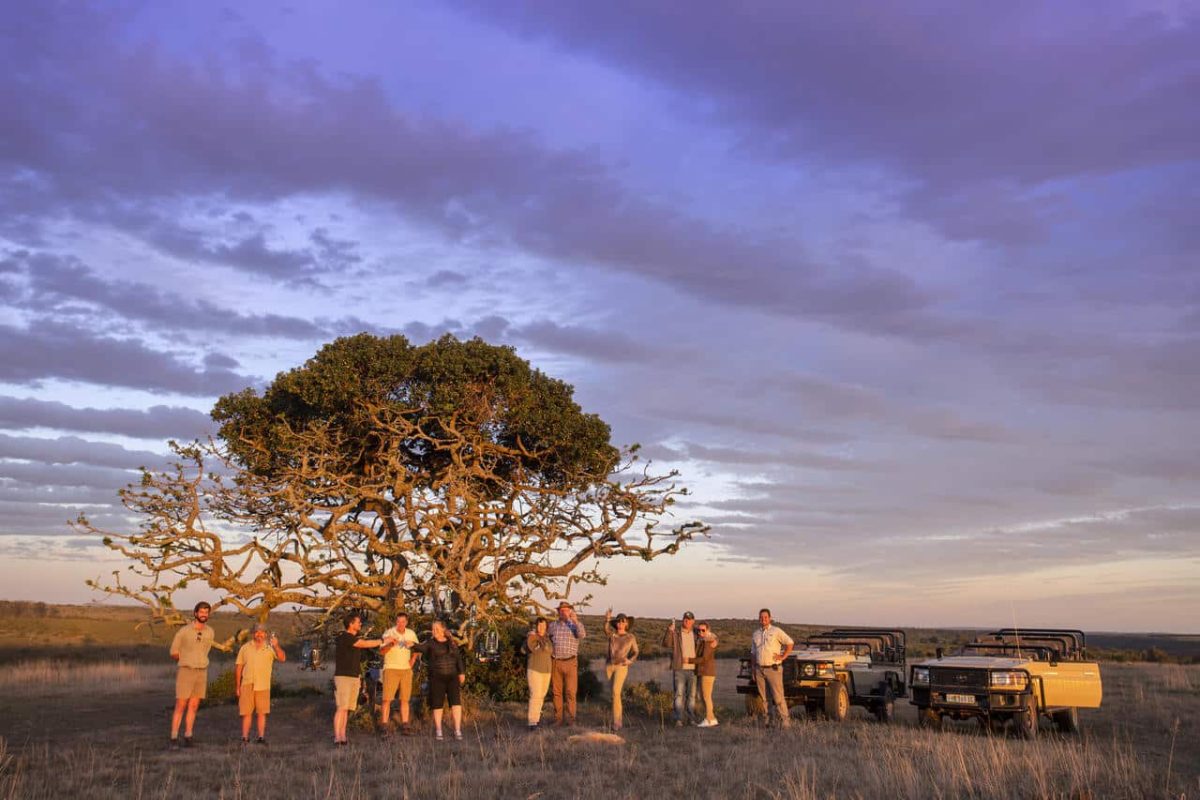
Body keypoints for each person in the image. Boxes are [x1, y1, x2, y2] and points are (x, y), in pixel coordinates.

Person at [169, 601, 222, 749]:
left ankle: (188, 735)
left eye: (206, 612)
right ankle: (174, 737)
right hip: (186, 670)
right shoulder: (184, 631)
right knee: (181, 705)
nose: (204, 615)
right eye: (201, 612)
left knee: (193, 705)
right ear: (195, 613)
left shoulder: (210, 631)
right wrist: (186, 660)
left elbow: (206, 650)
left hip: (201, 671)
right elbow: (174, 652)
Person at [332, 612, 383, 746]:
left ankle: (343, 736)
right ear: (351, 624)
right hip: (343, 677)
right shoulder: (345, 637)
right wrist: (382, 641)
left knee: (347, 708)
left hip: (354, 677)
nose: (360, 624)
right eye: (358, 622)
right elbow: (364, 644)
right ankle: (337, 737)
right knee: (341, 707)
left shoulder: (353, 638)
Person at [411, 620, 467, 740]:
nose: (434, 631)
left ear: (443, 630)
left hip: (453, 677)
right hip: (436, 678)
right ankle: (439, 731)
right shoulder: (430, 643)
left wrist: (461, 672)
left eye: (436, 629)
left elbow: (458, 658)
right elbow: (420, 647)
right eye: (433, 629)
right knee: (437, 704)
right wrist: (411, 644)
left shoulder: (451, 642)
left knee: (456, 704)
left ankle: (457, 730)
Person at [235, 623, 286, 744]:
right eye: (257, 632)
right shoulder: (245, 648)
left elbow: (282, 658)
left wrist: (276, 646)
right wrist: (237, 686)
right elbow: (239, 667)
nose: (259, 634)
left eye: (262, 632)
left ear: (265, 634)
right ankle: (245, 738)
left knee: (262, 713)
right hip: (247, 684)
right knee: (246, 713)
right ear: (253, 634)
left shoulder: (270, 647)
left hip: (263, 686)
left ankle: (261, 738)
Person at [751, 608, 794, 729]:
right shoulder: (756, 634)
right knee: (764, 698)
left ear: (770, 618)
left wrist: (783, 656)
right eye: (761, 617)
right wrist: (753, 669)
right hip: (759, 669)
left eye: (765, 617)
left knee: (778, 697)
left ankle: (785, 722)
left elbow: (790, 643)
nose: (763, 619)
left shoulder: (776, 631)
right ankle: (768, 722)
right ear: (759, 618)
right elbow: (753, 652)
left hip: (773, 669)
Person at [379, 611, 420, 734]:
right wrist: (391, 644)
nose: (400, 624)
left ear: (406, 622)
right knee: (387, 699)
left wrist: (413, 660)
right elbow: (382, 651)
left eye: (403, 622)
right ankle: (384, 725)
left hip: (406, 669)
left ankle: (405, 725)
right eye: (398, 621)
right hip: (391, 668)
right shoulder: (389, 633)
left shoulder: (411, 633)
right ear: (395, 622)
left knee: (405, 699)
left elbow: (417, 648)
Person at [547, 601, 586, 726]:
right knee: (556, 692)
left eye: (566, 610)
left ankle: (571, 720)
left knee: (571, 692)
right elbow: (546, 638)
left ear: (570, 611)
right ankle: (558, 719)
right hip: (556, 662)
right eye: (561, 610)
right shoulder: (553, 625)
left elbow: (582, 635)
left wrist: (575, 621)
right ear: (558, 612)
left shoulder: (576, 624)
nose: (563, 612)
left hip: (571, 662)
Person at [662, 610, 699, 726]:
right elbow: (666, 644)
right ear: (683, 620)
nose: (687, 621)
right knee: (679, 695)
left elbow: (709, 637)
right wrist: (669, 631)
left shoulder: (696, 633)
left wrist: (715, 640)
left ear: (693, 621)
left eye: (689, 619)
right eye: (685, 619)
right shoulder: (676, 633)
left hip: (694, 669)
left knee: (692, 696)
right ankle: (678, 719)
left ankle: (691, 719)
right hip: (679, 668)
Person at [603, 609, 639, 731]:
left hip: (621, 667)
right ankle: (615, 720)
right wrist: (607, 620)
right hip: (609, 666)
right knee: (613, 695)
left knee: (616, 692)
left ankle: (617, 722)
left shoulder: (630, 637)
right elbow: (606, 630)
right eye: (618, 622)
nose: (620, 624)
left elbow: (636, 651)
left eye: (623, 622)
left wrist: (630, 660)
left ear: (626, 623)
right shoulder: (612, 635)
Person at [524, 617, 553, 731]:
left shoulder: (547, 638)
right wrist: (536, 638)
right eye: (539, 625)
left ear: (546, 627)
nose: (541, 628)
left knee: (541, 695)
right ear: (536, 626)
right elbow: (534, 649)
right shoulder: (531, 637)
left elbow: (549, 650)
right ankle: (532, 722)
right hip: (535, 669)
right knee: (535, 695)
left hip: (546, 670)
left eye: (543, 625)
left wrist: (542, 642)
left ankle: (537, 719)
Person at [692, 621, 719, 727]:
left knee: (706, 696)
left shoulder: (708, 642)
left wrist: (688, 660)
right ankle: (711, 718)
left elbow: (703, 658)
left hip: (707, 672)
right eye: (699, 630)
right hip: (703, 671)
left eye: (703, 630)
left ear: (708, 630)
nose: (700, 632)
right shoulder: (702, 640)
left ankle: (708, 719)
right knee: (704, 696)